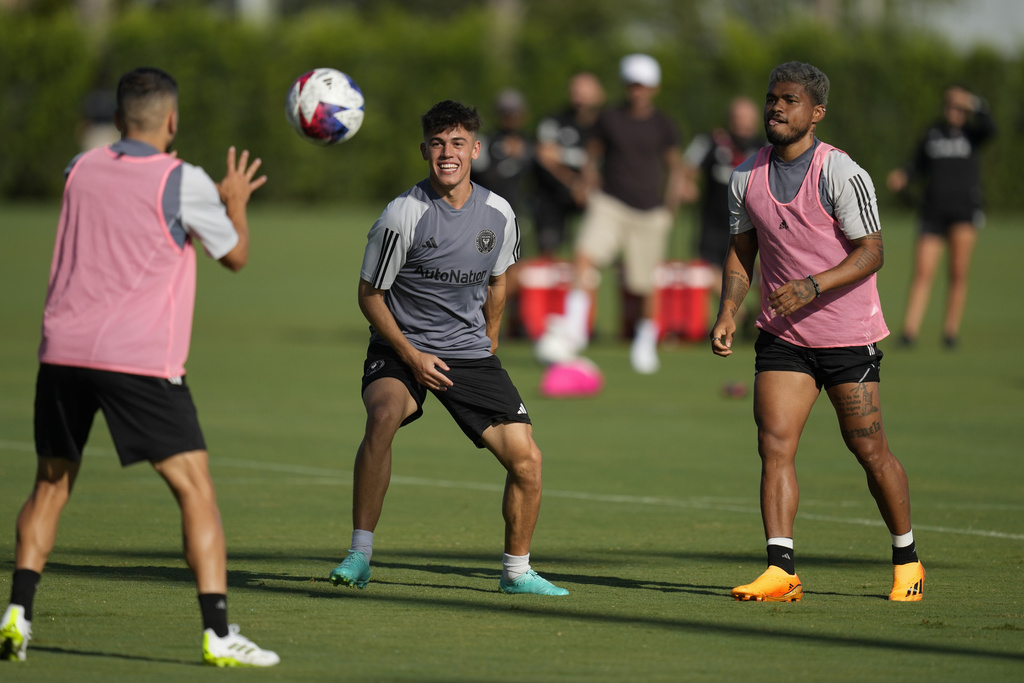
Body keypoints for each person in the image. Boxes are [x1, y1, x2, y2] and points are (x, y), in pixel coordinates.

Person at [0, 67, 279, 666]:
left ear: (120, 117)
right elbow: (235, 256)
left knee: (49, 485)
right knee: (195, 489)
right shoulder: (184, 180)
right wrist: (234, 205)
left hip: (61, 353)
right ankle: (218, 633)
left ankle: (16, 614)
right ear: (172, 120)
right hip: (137, 360)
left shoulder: (79, 168)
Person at [328, 100, 568, 597]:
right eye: (437, 143)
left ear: (475, 149)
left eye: (457, 143)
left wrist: (490, 338)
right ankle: (359, 554)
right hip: (402, 346)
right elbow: (369, 295)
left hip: (467, 352)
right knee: (383, 416)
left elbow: (500, 282)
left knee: (528, 461)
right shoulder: (402, 215)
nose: (447, 153)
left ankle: (516, 572)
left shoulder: (499, 213)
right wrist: (412, 356)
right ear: (424, 151)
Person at [710, 62, 925, 603]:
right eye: (771, 99)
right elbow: (741, 254)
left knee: (869, 449)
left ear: (816, 113)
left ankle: (907, 560)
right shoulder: (744, 175)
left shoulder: (841, 172)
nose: (776, 108)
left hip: (847, 335)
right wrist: (727, 312)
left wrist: (811, 285)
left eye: (789, 100)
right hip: (783, 337)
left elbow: (872, 251)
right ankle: (781, 569)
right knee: (774, 446)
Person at [536, 54, 685, 374]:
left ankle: (645, 341)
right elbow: (592, 157)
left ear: (653, 87)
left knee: (644, 284)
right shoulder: (609, 118)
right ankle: (575, 331)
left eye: (643, 85)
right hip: (610, 204)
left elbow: (675, 167)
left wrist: (669, 208)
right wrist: (587, 186)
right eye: (632, 84)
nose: (637, 90)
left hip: (649, 211)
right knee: (583, 256)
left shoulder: (664, 124)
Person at [886, 85, 996, 349]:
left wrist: (973, 102)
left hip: (963, 212)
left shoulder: (973, 133)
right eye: (950, 104)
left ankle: (950, 333)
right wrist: (904, 175)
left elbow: (992, 128)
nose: (953, 110)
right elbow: (917, 165)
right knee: (923, 271)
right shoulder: (933, 133)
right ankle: (909, 332)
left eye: (959, 106)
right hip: (932, 211)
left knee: (958, 272)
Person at [680, 96, 764, 279]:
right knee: (708, 268)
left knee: (762, 271)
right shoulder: (712, 141)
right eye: (738, 117)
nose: (742, 122)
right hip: (714, 221)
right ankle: (736, 309)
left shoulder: (765, 148)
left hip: (751, 223)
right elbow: (687, 167)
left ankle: (762, 308)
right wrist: (687, 183)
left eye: (747, 118)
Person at [532, 72, 606, 258]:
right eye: (576, 89)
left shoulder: (607, 125)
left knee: (591, 249)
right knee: (548, 249)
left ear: (599, 94)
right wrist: (573, 182)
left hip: (595, 192)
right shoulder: (555, 122)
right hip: (556, 193)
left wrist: (589, 187)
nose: (579, 95)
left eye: (585, 90)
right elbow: (545, 156)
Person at [471, 88, 535, 218]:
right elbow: (479, 178)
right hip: (488, 212)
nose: (511, 117)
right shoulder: (485, 142)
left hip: (523, 213)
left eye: (514, 112)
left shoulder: (531, 144)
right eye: (506, 113)